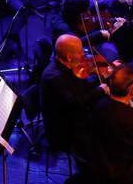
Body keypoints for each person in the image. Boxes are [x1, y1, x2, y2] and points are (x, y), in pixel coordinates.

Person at [39, 34, 108, 162]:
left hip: (71, 116)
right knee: (107, 126)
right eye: (81, 51)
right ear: (69, 57)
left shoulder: (64, 65)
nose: (84, 54)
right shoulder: (55, 77)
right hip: (64, 129)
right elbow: (75, 103)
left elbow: (80, 86)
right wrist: (100, 91)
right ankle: (94, 169)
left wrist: (102, 76)